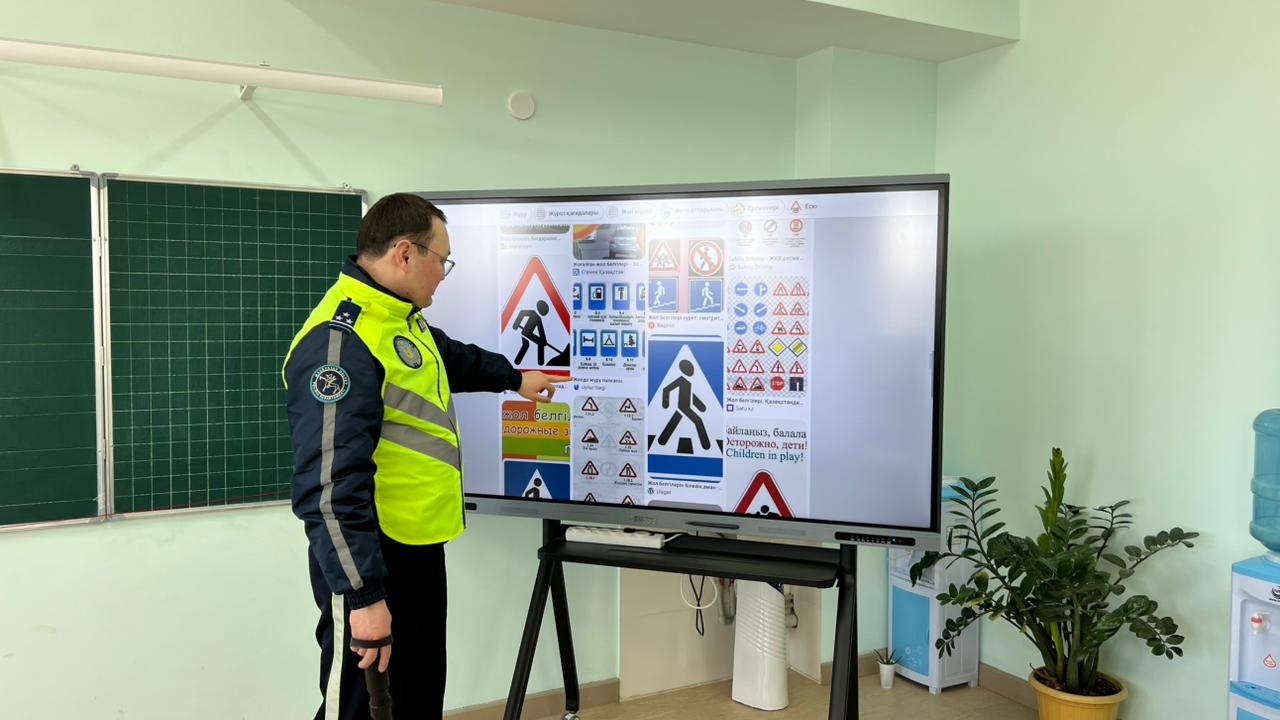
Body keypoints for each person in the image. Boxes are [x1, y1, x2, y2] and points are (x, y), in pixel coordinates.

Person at [283, 193, 568, 720]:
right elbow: (328, 487)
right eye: (442, 260)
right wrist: (363, 596)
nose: (443, 273)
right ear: (405, 253)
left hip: (415, 544)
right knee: (362, 706)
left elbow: (449, 358)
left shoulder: (399, 320)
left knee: (417, 694)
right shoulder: (341, 341)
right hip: (372, 557)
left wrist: (514, 379)